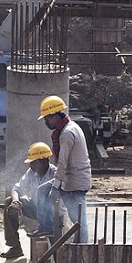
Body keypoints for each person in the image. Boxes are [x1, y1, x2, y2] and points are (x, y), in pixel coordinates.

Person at [38, 95, 91, 244]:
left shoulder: (67, 133)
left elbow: (63, 162)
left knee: (78, 220)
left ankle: (81, 247)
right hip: (69, 179)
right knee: (42, 191)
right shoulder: (68, 128)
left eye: (47, 119)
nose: (46, 122)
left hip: (74, 182)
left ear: (54, 116)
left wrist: (56, 186)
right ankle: (46, 227)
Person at [1, 142, 57, 260]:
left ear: (44, 161)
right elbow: (17, 189)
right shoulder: (32, 173)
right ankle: (15, 247)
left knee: (53, 250)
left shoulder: (55, 174)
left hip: (53, 214)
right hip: (35, 208)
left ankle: (51, 246)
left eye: (33, 162)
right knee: (8, 201)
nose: (30, 165)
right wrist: (15, 202)